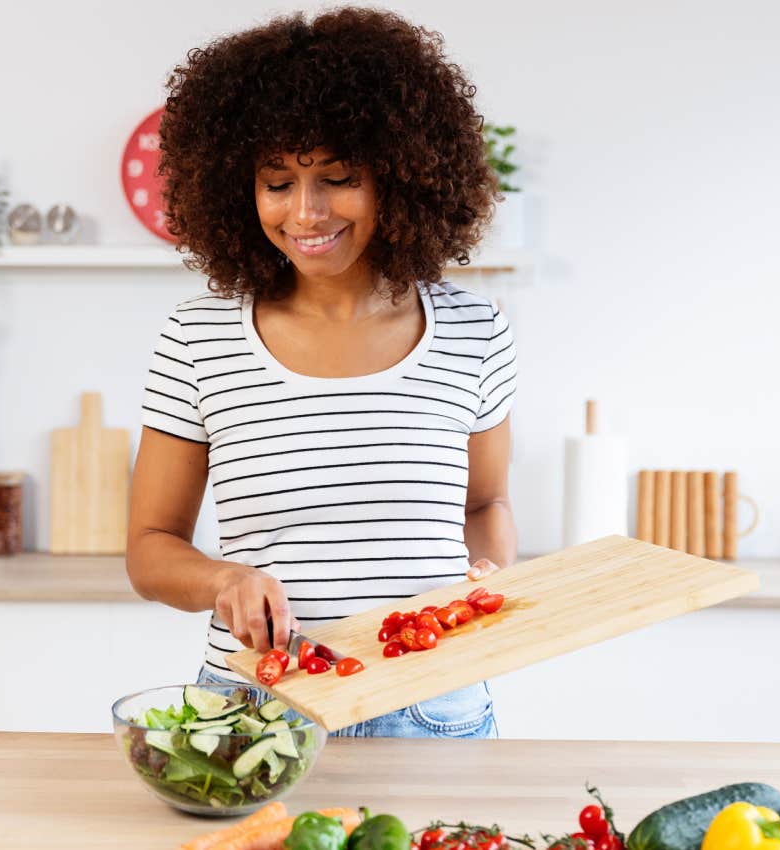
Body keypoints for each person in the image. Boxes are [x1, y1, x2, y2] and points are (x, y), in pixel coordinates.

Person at [127, 6, 518, 739]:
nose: (305, 213)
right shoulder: (199, 335)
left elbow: (486, 505)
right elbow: (151, 547)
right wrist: (224, 580)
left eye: (338, 178)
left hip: (434, 702)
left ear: (400, 178)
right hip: (257, 709)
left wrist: (489, 575)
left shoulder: (474, 330)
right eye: (277, 183)